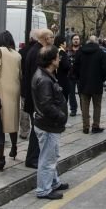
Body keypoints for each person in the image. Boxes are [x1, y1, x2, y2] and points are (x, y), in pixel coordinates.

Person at [32, 45, 69, 200]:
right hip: (48, 125)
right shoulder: (44, 79)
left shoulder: (45, 75)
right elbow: (47, 105)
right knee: (47, 159)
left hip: (48, 124)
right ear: (52, 60)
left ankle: (53, 183)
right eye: (57, 57)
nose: (59, 59)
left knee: (51, 155)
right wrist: (61, 116)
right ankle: (43, 190)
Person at [0, 30, 22, 171]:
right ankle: (14, 147)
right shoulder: (17, 55)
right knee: (12, 121)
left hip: (1, 92)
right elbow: (20, 75)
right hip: (14, 92)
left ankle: (1, 158)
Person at [24, 28, 54, 168]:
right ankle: (32, 158)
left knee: (37, 129)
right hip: (35, 100)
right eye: (52, 37)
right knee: (37, 130)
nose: (53, 40)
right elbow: (38, 79)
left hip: (32, 98)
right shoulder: (38, 53)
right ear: (46, 39)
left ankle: (33, 157)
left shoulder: (34, 50)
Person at [73, 35, 106, 134]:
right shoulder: (101, 53)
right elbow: (105, 68)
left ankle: (85, 126)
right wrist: (102, 79)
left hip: (83, 83)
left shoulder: (80, 52)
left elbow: (75, 67)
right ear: (96, 42)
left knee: (84, 105)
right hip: (97, 84)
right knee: (97, 106)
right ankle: (95, 126)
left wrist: (79, 78)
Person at [18, 29, 37, 140]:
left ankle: (24, 131)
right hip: (36, 86)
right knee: (35, 109)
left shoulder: (23, 51)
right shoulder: (41, 50)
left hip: (25, 85)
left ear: (30, 38)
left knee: (24, 109)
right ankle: (35, 129)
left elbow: (20, 71)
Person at [66, 33, 81, 116]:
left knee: (82, 94)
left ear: (79, 40)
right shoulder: (67, 51)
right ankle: (73, 109)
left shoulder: (82, 51)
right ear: (72, 40)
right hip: (70, 76)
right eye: (74, 39)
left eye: (77, 39)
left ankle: (84, 109)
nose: (76, 40)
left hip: (80, 76)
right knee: (71, 94)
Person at [54, 35, 71, 103]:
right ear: (62, 43)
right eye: (65, 42)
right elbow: (66, 66)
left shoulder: (54, 50)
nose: (66, 43)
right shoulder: (62, 52)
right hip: (62, 79)